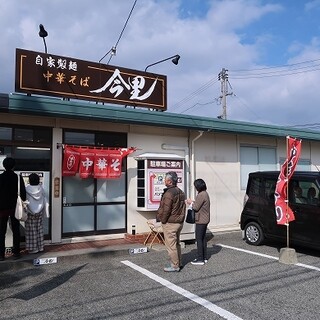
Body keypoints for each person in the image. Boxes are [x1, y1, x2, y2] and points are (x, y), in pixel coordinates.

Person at [156, 171, 186, 272]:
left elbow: (166, 210)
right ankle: (179, 262)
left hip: (170, 223)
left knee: (171, 245)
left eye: (165, 179)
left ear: (169, 181)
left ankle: (174, 265)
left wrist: (162, 221)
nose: (164, 181)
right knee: (177, 243)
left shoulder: (169, 193)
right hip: (179, 222)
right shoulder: (181, 191)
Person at [0, 157, 26, 261]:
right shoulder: (18, 178)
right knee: (16, 229)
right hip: (15, 207)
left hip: (2, 208)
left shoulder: (0, 177)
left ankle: (1, 255)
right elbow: (23, 194)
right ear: (14, 166)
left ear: (3, 165)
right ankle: (16, 253)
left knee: (1, 231)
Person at [186, 178, 210, 266]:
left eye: (195, 186)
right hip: (205, 219)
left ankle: (200, 258)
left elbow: (196, 207)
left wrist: (190, 203)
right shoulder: (205, 193)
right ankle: (204, 257)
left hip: (201, 220)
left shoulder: (201, 195)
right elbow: (199, 205)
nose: (195, 187)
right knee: (203, 239)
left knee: (199, 239)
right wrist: (193, 202)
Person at [25, 173, 49, 254]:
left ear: (29, 180)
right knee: (39, 229)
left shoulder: (26, 189)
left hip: (30, 212)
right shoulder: (41, 188)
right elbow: (44, 198)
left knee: (31, 231)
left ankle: (33, 249)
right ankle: (40, 247)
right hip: (39, 212)